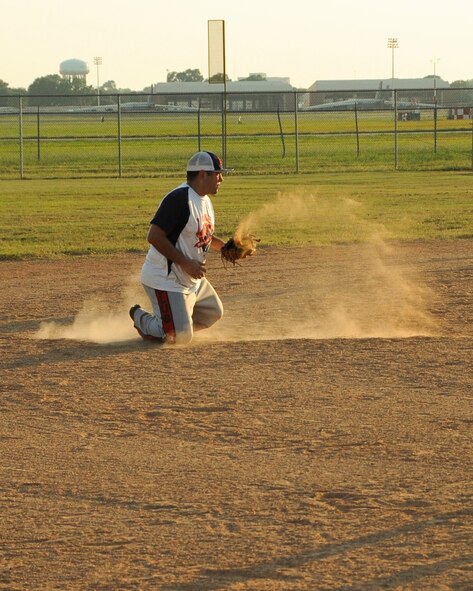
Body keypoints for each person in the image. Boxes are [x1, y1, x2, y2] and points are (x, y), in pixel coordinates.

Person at [129, 151, 232, 345]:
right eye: (217, 173)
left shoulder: (205, 201)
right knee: (178, 337)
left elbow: (203, 236)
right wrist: (186, 263)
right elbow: (154, 236)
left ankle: (175, 319)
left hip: (190, 278)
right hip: (166, 279)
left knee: (213, 312)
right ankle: (141, 318)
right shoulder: (179, 199)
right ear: (203, 174)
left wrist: (225, 247)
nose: (221, 178)